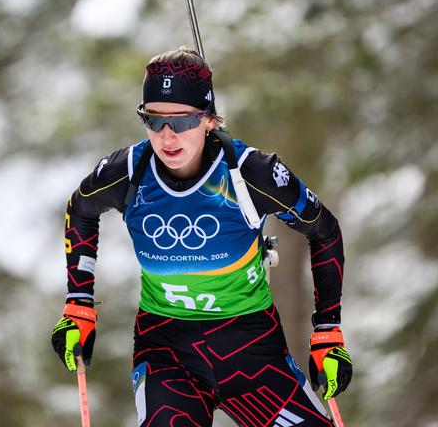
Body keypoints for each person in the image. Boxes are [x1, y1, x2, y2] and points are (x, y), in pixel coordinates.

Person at [51, 46, 352, 426]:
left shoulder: (250, 174)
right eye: (153, 120)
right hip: (166, 351)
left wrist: (328, 330)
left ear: (208, 119)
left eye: (181, 121)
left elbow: (324, 231)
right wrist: (79, 303)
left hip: (252, 352)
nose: (166, 136)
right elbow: (80, 210)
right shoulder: (128, 171)